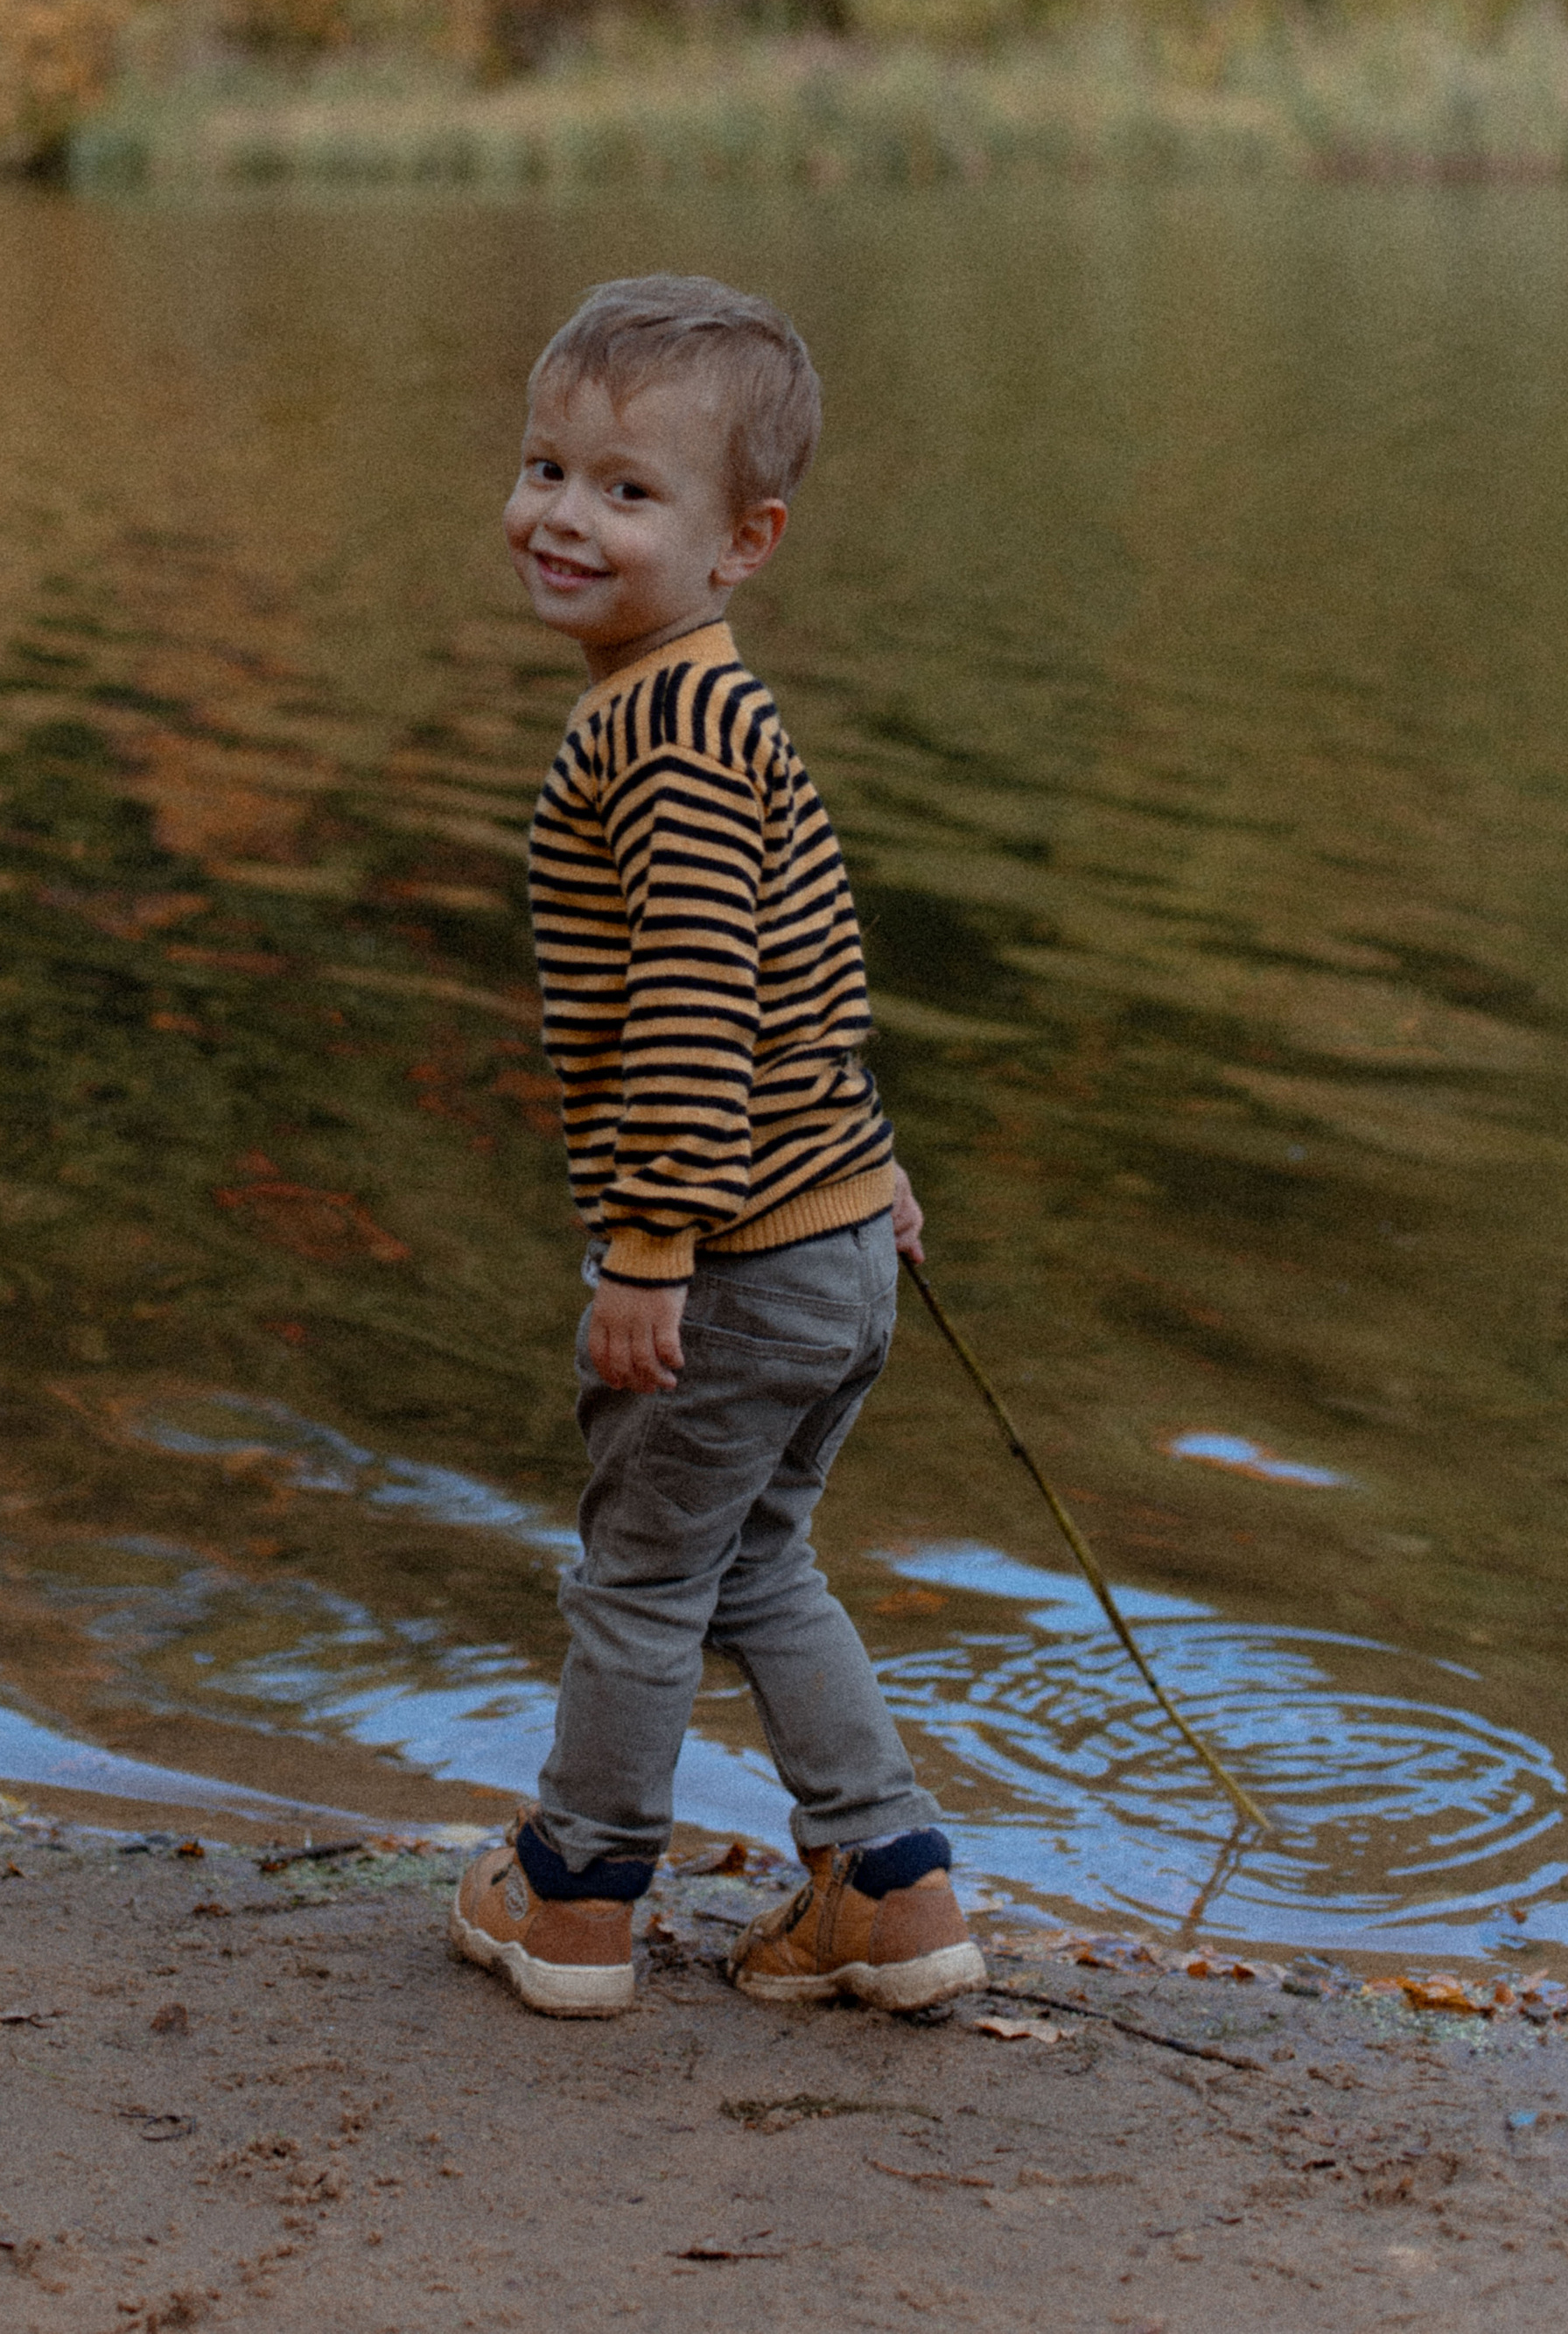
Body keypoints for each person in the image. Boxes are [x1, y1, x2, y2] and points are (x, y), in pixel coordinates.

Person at [450, 273, 984, 2020]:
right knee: (755, 1560)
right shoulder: (708, 707)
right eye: (545, 467)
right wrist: (871, 1166)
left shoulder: (655, 736)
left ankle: (577, 1893)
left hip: (735, 1256)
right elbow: (800, 966)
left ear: (743, 539)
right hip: (825, 1236)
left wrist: (647, 1247)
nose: (559, 516)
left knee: (637, 1578)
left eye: (625, 491)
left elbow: (694, 998)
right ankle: (885, 1891)